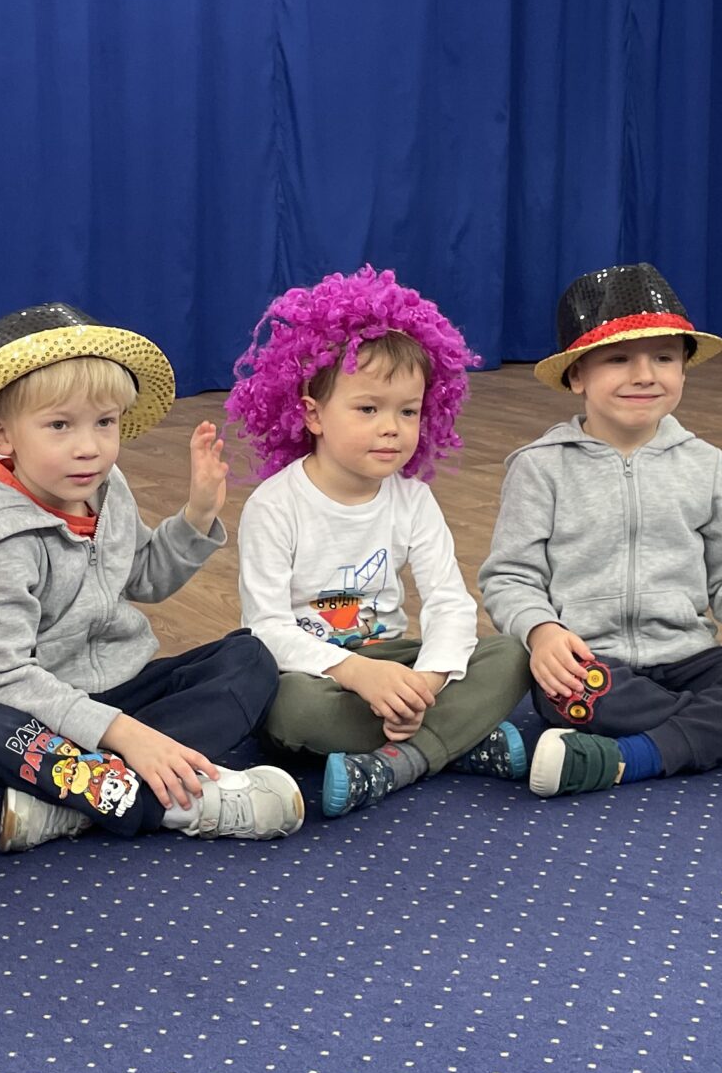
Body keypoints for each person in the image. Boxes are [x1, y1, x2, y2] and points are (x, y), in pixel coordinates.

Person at [0, 303, 303, 853]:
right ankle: (170, 800)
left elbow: (143, 577)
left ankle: (79, 803)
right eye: (59, 425)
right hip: (42, 715)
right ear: (3, 436)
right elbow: (2, 677)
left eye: (105, 423)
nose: (89, 447)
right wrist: (124, 734)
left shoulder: (105, 486)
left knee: (250, 658)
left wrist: (196, 516)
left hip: (125, 691)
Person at [481, 264, 722, 796]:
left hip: (691, 658)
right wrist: (542, 632)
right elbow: (510, 578)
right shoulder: (540, 467)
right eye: (618, 359)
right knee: (566, 693)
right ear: (577, 376)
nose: (645, 375)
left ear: (683, 368)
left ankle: (634, 756)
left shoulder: (705, 463)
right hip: (595, 665)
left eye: (663, 357)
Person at [223, 266, 531, 813]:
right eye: (368, 408)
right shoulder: (275, 505)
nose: (392, 427)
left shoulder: (412, 499)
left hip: (393, 661)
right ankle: (453, 741)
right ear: (313, 415)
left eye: (407, 411)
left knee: (510, 654)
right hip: (315, 674)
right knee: (288, 710)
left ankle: (397, 759)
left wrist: (426, 683)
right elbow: (266, 629)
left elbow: (449, 602)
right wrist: (357, 673)